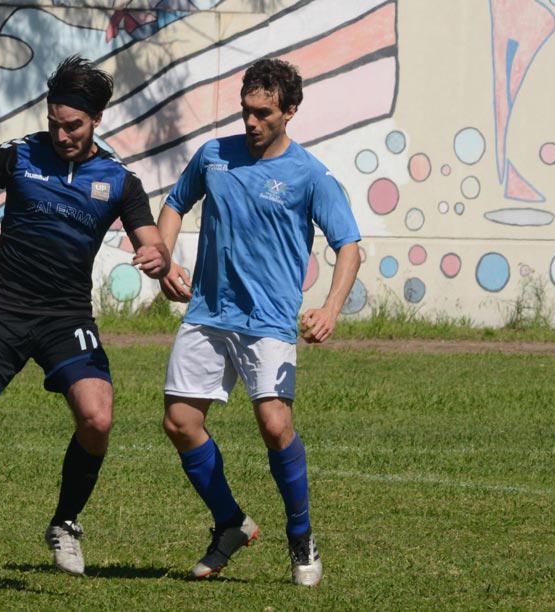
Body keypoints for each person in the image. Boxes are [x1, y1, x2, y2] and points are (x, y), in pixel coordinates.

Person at [0, 56, 170, 587]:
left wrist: (158, 259)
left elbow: (151, 240)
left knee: (98, 419)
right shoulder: (20, 155)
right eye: (54, 121)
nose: (61, 133)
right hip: (3, 310)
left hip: (65, 315)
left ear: (97, 119)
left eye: (72, 125)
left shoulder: (119, 182)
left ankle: (65, 523)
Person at [156, 58, 361, 586]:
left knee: (275, 426)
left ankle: (301, 536)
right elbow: (175, 204)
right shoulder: (213, 156)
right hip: (207, 314)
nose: (251, 122)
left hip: (268, 322)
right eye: (246, 111)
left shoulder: (309, 175)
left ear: (290, 112)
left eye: (264, 113)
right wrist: (166, 259)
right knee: (180, 423)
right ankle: (231, 524)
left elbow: (350, 247)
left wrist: (330, 308)